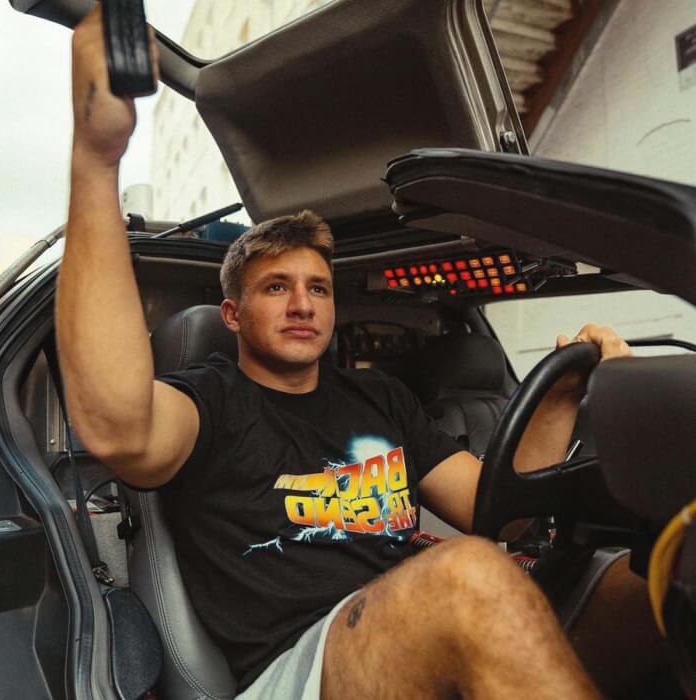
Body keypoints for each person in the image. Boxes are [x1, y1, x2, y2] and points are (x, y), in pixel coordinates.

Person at [57, 7, 653, 700]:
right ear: (233, 315)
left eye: (317, 288)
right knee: (467, 575)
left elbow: (502, 515)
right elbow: (117, 426)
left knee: (660, 574)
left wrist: (559, 398)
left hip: (426, 629)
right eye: (276, 287)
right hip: (304, 665)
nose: (303, 304)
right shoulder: (210, 400)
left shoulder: (382, 401)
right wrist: (96, 160)